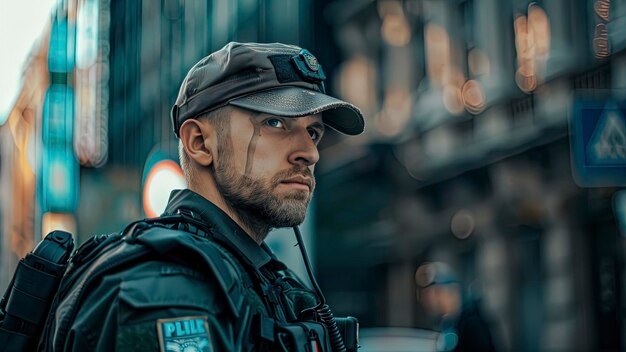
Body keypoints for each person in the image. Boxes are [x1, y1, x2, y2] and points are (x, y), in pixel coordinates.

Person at [39, 42, 365, 351]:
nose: (310, 153)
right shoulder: (166, 288)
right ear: (199, 142)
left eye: (313, 132)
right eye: (275, 122)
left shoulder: (264, 279)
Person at [416, 262, 497, 352]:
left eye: (437, 292)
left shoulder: (472, 323)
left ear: (453, 290)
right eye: (425, 294)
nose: (430, 299)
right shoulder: (445, 322)